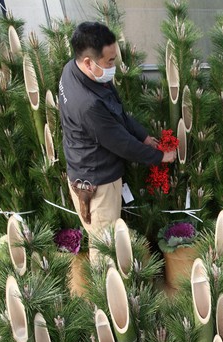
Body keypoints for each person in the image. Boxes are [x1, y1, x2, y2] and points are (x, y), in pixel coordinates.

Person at [59, 21, 176, 262]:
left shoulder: (74, 70)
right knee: (105, 249)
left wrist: (143, 136)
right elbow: (121, 143)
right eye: (110, 62)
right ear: (89, 62)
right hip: (97, 184)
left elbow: (117, 113)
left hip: (88, 171)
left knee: (107, 239)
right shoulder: (88, 104)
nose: (114, 66)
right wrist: (160, 157)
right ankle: (107, 296)